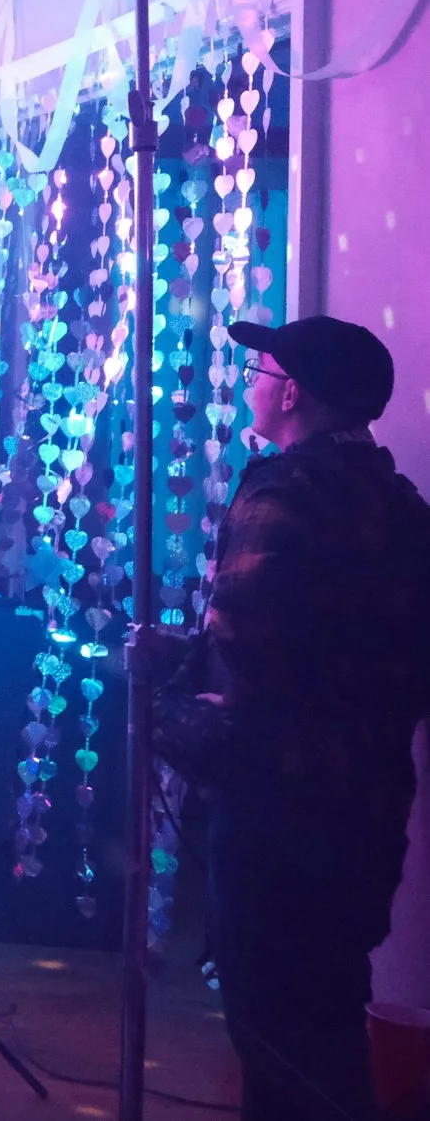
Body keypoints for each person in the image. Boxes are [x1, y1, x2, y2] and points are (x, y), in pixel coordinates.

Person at [135, 315, 430, 1121]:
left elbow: (251, 643)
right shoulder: (404, 506)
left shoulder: (283, 493)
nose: (251, 383)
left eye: (260, 372)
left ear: (292, 392)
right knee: (327, 1011)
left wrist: (180, 696)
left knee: (275, 1030)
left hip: (279, 812)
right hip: (370, 806)